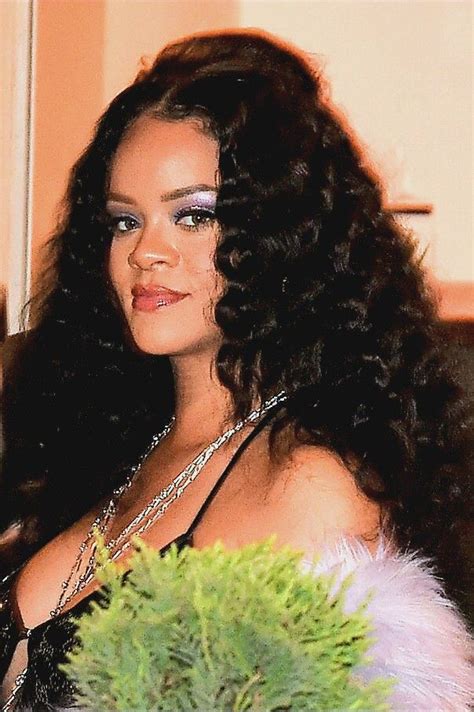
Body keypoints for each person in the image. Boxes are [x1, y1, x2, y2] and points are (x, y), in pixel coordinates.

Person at [0, 28, 472, 710]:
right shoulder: (109, 446)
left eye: (193, 216)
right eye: (124, 222)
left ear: (281, 238)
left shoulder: (308, 482)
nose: (146, 253)